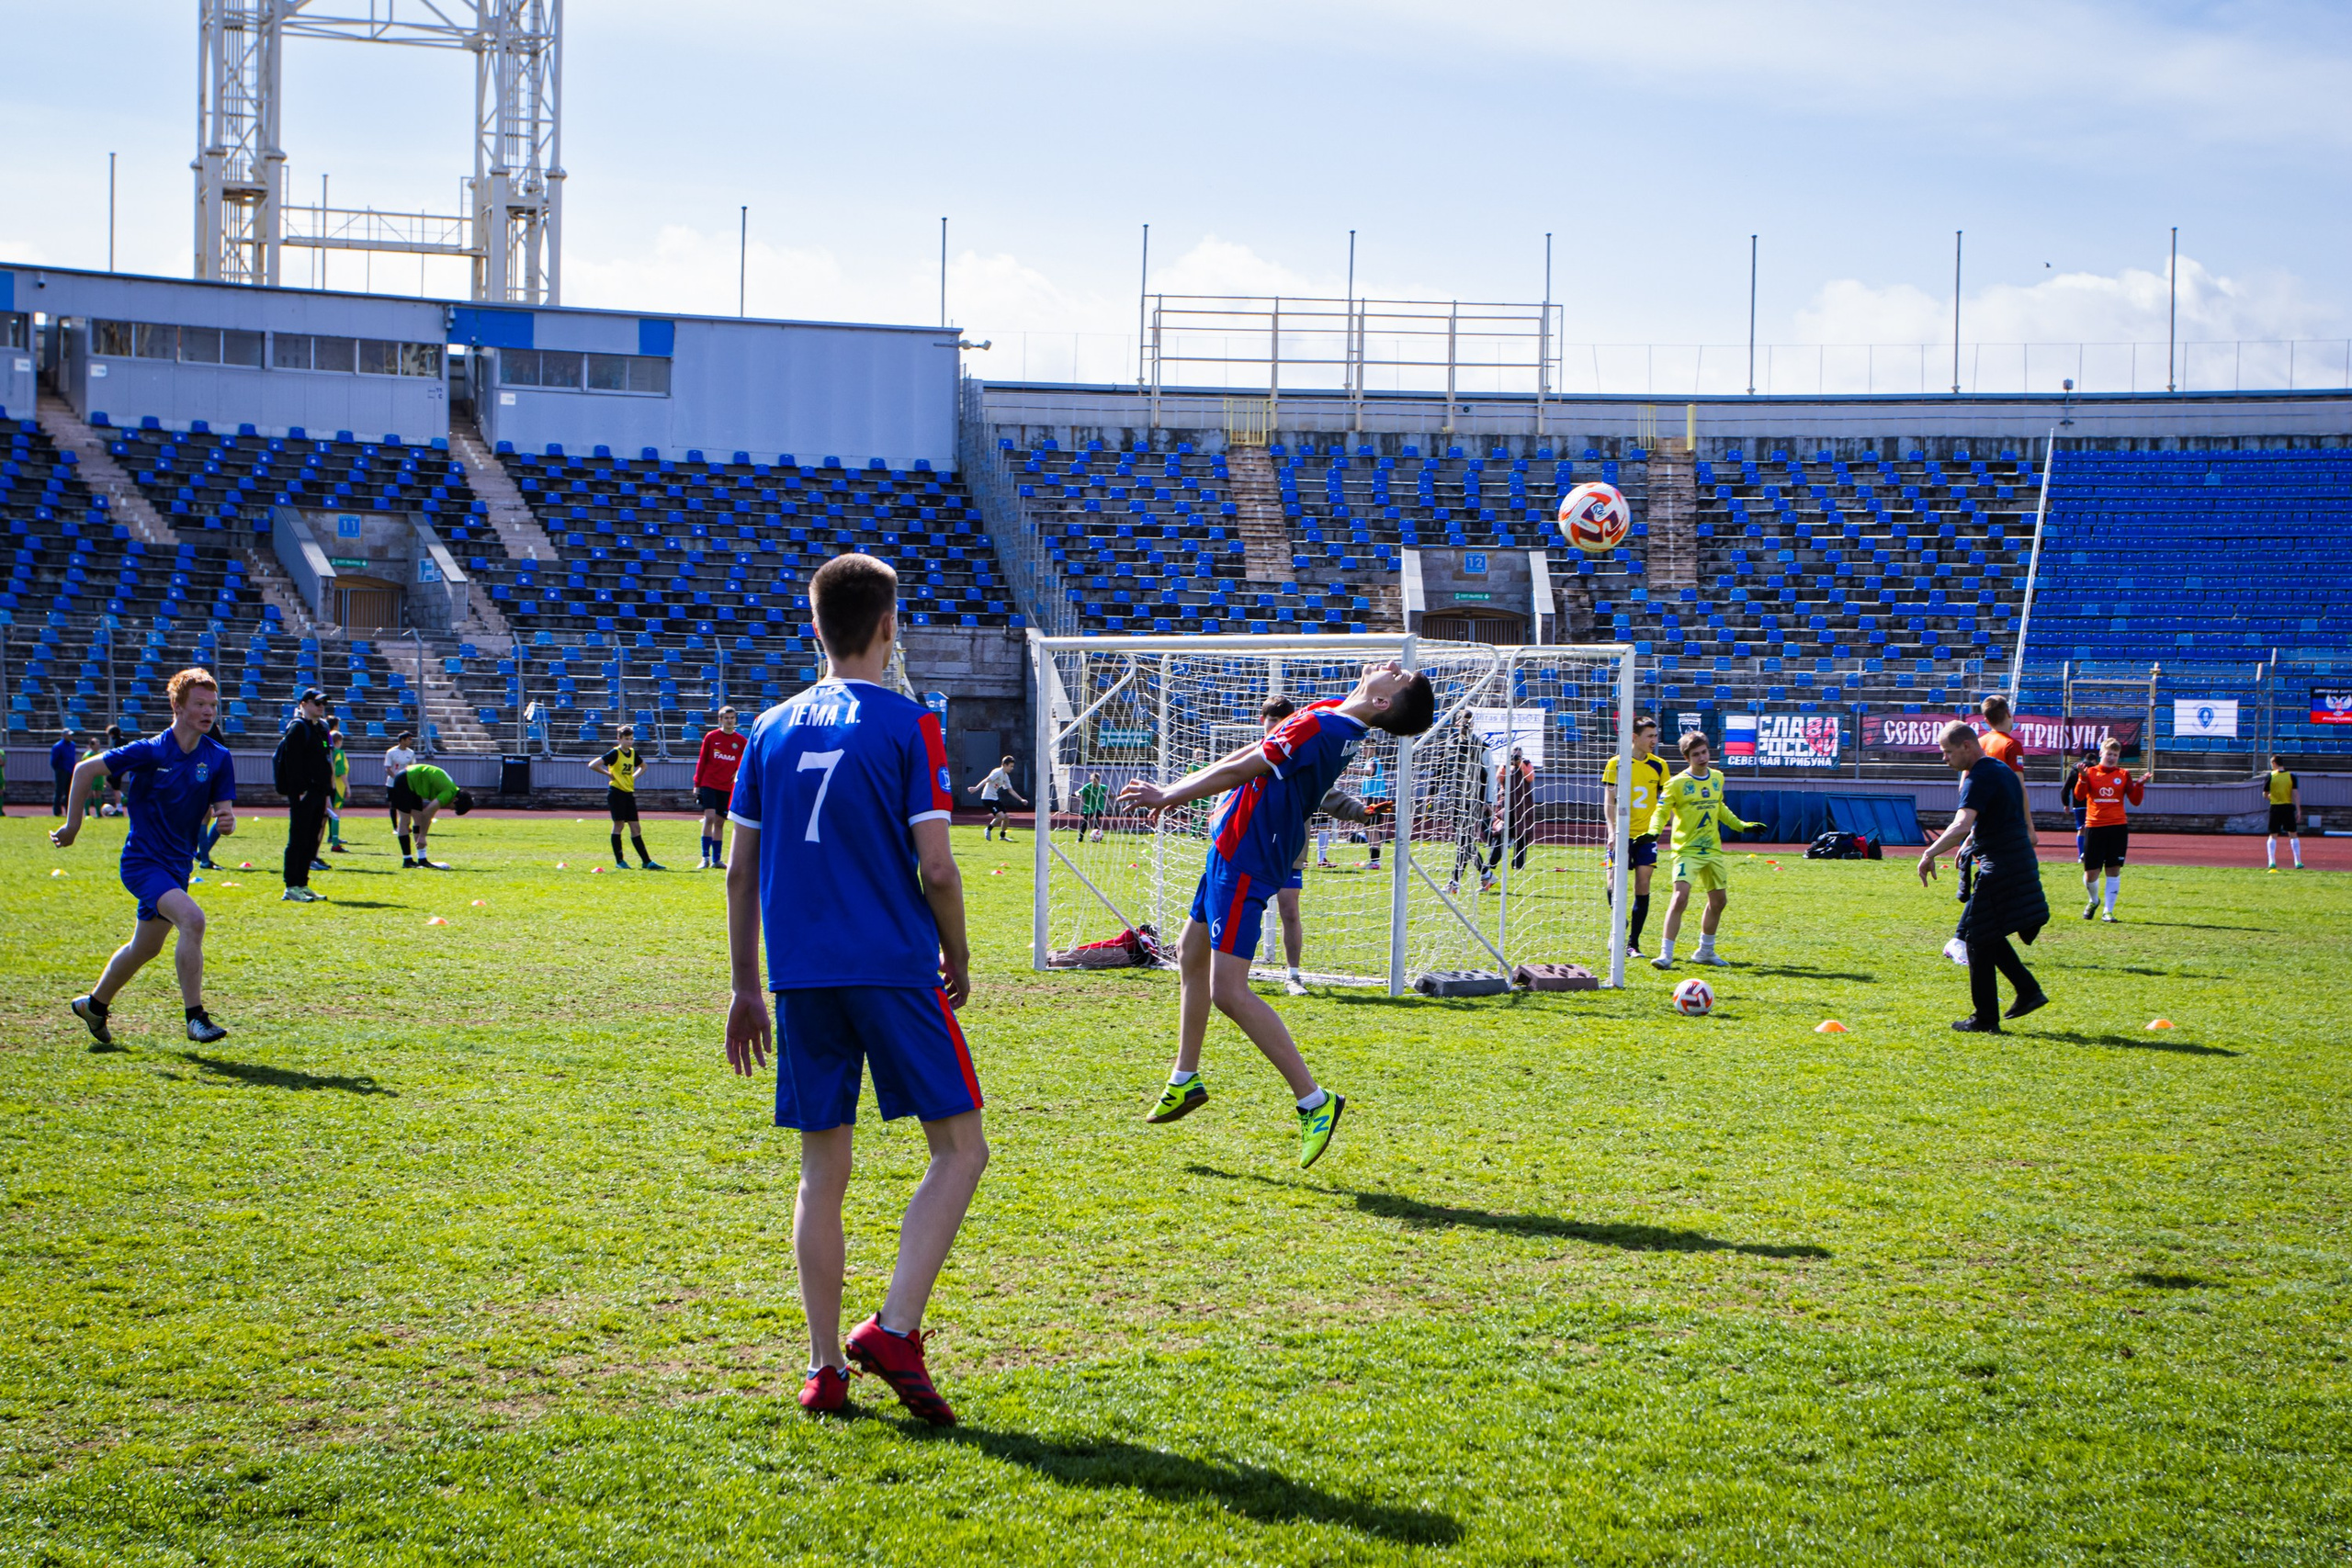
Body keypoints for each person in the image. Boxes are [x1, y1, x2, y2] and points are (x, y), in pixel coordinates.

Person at [721, 552, 984, 1425]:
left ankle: (824, 1365)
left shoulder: (768, 727)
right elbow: (938, 867)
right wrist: (959, 954)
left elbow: (739, 870)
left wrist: (746, 986)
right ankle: (895, 1328)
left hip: (800, 977)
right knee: (961, 1149)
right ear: (888, 627)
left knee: (820, 1170)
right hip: (894, 966)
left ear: (814, 628)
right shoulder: (911, 724)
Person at [1120, 660, 1436, 1168]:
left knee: (1228, 991)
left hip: (1248, 857)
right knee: (1189, 952)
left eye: (1399, 678)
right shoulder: (1333, 712)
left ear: (1382, 703)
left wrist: (1169, 794)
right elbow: (1248, 753)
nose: (1394, 667)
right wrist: (1175, 791)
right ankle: (1184, 1078)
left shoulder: (1324, 726)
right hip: (1233, 847)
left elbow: (1243, 768)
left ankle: (1314, 1100)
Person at [51, 669, 236, 1046]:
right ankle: (195, 1018)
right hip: (142, 863)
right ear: (177, 706)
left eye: (213, 705)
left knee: (146, 947)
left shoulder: (218, 757)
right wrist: (72, 826)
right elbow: (84, 770)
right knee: (193, 920)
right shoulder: (150, 751)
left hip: (177, 866)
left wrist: (227, 819)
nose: (208, 712)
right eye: (200, 704)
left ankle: (94, 1006)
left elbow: (223, 811)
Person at [1918, 720, 2050, 1032]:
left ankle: (1986, 1017)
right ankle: (2027, 991)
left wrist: (1929, 853)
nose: (1944, 758)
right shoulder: (2001, 770)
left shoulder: (1978, 777)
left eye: (1948, 752)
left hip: (2000, 867)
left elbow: (1962, 824)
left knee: (1976, 936)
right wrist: (1969, 845)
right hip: (2017, 862)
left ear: (1966, 746)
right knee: (1986, 933)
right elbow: (1994, 819)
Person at [1648, 731, 1760, 971]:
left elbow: (1719, 807)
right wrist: (1653, 831)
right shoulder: (1676, 783)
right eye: (1696, 754)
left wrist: (1741, 826)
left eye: (1704, 752)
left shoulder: (1717, 777)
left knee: (1719, 901)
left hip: (1712, 850)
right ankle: (1666, 954)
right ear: (1687, 758)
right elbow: (1661, 811)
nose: (1702, 758)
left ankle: (1705, 951)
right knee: (1680, 897)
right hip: (1686, 850)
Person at [1600, 716, 1670, 955]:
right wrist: (1612, 831)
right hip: (1621, 834)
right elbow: (1609, 801)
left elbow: (1666, 801)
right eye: (1649, 736)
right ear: (1634, 737)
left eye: (1655, 735)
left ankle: (1633, 944)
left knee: (1643, 883)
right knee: (1612, 881)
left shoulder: (1660, 765)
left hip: (1646, 836)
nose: (1654, 740)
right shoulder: (1616, 763)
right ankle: (1619, 925)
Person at [2072, 736, 2143, 922]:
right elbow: (2079, 796)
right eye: (2109, 754)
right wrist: (2083, 778)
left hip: (2118, 827)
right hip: (2095, 826)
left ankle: (2108, 911)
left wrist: (2140, 785)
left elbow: (2135, 801)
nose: (2111, 758)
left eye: (2115, 755)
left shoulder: (2123, 774)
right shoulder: (2090, 772)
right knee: (2091, 874)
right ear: (2101, 753)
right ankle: (2094, 900)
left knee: (2113, 869)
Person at [275, 686, 334, 904]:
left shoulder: (322, 728)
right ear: (304, 705)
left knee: (310, 840)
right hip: (303, 792)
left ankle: (303, 883)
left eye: (323, 703)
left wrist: (327, 791)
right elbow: (292, 763)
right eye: (317, 703)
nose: (321, 707)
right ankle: (291, 886)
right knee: (298, 839)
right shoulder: (297, 728)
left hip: (319, 791)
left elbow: (326, 759)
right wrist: (299, 790)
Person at [592, 724, 664, 869]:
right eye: (626, 739)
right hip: (616, 792)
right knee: (619, 825)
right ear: (619, 739)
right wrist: (609, 774)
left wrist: (633, 777)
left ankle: (647, 862)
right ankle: (620, 862)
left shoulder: (632, 753)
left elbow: (643, 766)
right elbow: (593, 765)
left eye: (631, 739)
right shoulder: (615, 753)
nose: (629, 742)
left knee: (636, 827)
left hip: (628, 793)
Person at [1442, 712, 1498, 897]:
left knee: (1463, 840)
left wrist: (1489, 801)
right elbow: (1441, 770)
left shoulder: (1482, 747)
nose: (1465, 725)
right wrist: (1432, 793)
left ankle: (1456, 882)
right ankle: (1485, 875)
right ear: (1456, 723)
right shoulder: (1450, 744)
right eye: (1462, 721)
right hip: (1454, 798)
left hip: (1474, 801)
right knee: (1463, 841)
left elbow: (1490, 776)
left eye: (1469, 722)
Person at [386, 761, 476, 866]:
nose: (450, 809)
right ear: (456, 800)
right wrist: (422, 836)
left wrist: (422, 836)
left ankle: (422, 859)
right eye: (453, 808)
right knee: (405, 820)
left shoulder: (451, 790)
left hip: (414, 784)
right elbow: (428, 813)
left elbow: (426, 816)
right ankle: (407, 860)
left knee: (418, 820)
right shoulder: (448, 793)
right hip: (404, 779)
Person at [694, 706, 748, 870]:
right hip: (709, 783)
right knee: (709, 817)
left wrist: (738, 771)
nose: (729, 721)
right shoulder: (712, 737)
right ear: (720, 720)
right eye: (726, 718)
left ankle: (717, 859)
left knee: (720, 822)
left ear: (735, 719)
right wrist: (697, 784)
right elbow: (702, 760)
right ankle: (705, 857)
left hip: (727, 786)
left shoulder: (740, 741)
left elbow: (746, 761)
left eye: (732, 718)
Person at [1489, 745, 1537, 876]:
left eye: (1518, 755)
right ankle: (1492, 862)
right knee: (1501, 832)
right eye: (1513, 755)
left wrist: (1520, 764)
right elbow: (1499, 779)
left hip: (1523, 804)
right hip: (1506, 803)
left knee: (1522, 834)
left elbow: (1530, 778)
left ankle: (1518, 864)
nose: (1515, 758)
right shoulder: (1505, 765)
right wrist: (1507, 766)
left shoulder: (1527, 764)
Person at [967, 756, 1026, 841]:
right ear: (1005, 765)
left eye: (1013, 766)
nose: (1012, 768)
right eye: (1011, 766)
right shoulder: (997, 772)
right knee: (1001, 816)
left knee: (1006, 818)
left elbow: (1011, 790)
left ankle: (1002, 836)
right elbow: (986, 780)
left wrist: (1021, 799)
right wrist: (976, 788)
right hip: (987, 798)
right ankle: (988, 829)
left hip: (994, 798)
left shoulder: (1005, 776)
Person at [2264, 755, 2302, 872]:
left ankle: (2272, 861)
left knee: (2273, 834)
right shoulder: (2291, 776)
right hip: (2288, 807)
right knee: (2293, 834)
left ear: (2274, 763)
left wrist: (2272, 797)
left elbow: (2265, 794)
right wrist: (2299, 810)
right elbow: (2295, 794)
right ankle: (2298, 861)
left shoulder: (2270, 776)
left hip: (2275, 807)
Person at [384, 730, 419, 848]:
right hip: (393, 783)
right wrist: (397, 778)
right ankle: (395, 827)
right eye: (409, 739)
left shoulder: (411, 753)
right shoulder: (391, 752)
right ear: (402, 740)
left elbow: (413, 767)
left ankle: (404, 825)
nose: (410, 741)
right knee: (394, 805)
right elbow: (388, 768)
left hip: (407, 784)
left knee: (406, 805)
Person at [326, 728, 351, 852]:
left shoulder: (328, 752)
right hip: (338, 787)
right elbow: (341, 772)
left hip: (328, 786)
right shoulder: (339, 753)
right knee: (336, 814)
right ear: (338, 741)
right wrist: (348, 787)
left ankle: (332, 837)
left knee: (329, 813)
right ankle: (334, 840)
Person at [1077, 773, 1112, 841]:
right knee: (1085, 822)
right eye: (1093, 781)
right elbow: (1078, 792)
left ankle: (1095, 837)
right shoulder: (1087, 786)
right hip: (1089, 807)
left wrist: (1111, 794)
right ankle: (1080, 838)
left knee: (1096, 819)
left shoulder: (1102, 787)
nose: (1095, 783)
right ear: (1091, 780)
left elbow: (1107, 789)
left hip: (1099, 806)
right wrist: (1078, 794)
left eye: (1096, 781)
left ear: (1099, 780)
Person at [51, 730, 79, 816]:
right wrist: (59, 769)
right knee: (59, 791)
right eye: (69, 735)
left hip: (70, 770)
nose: (71, 737)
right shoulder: (58, 746)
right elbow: (54, 761)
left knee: (69, 792)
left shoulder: (72, 745)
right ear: (63, 735)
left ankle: (68, 811)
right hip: (61, 770)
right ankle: (57, 811)